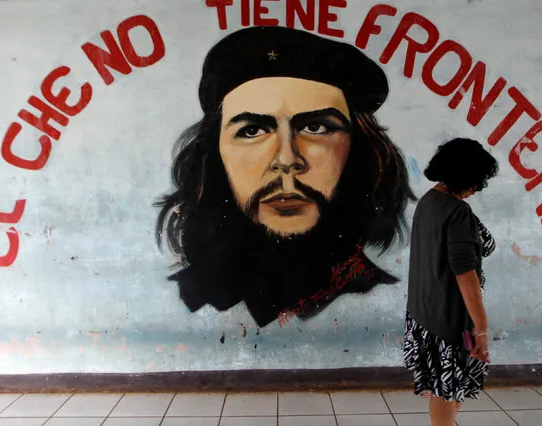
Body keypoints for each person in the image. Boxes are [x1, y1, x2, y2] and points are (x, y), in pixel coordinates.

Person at [155, 26, 415, 327]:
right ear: (215, 155)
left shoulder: (376, 295)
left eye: (316, 128)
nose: (287, 160)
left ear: (358, 150)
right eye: (252, 131)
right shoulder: (192, 294)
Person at [403, 138, 498, 426]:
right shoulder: (456, 212)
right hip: (449, 320)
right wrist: (480, 328)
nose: (478, 187)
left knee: (447, 388)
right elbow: (464, 273)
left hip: (423, 312)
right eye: (477, 180)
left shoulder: (430, 202)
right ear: (465, 175)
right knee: (447, 390)